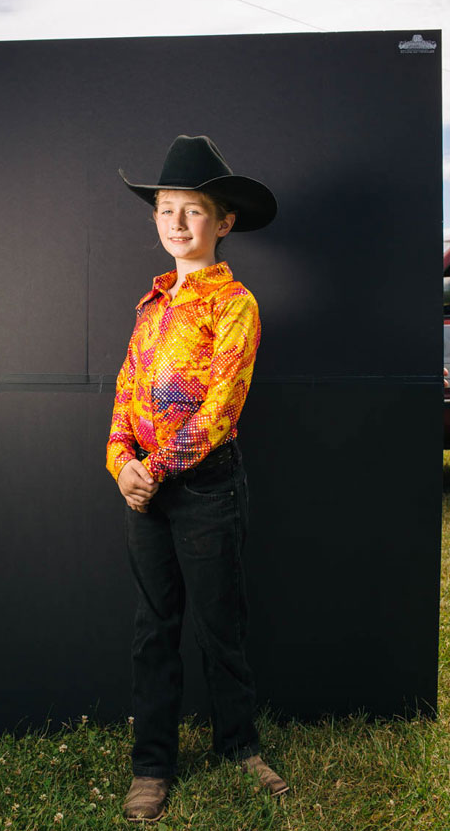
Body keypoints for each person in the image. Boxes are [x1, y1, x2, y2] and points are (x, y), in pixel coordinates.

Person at [106, 136, 287, 822]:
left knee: (220, 624)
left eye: (194, 211)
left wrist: (153, 468)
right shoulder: (150, 306)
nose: (178, 223)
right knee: (153, 628)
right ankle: (152, 766)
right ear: (155, 219)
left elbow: (220, 408)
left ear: (224, 221)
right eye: (167, 210)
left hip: (207, 488)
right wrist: (121, 462)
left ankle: (241, 748)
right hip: (144, 494)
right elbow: (126, 392)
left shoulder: (233, 303)